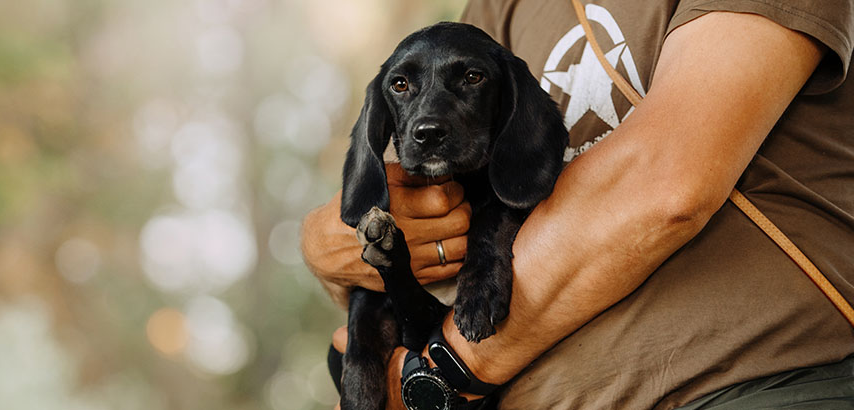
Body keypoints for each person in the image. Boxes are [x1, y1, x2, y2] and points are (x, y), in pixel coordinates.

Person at [301, 0, 854, 408]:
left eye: (468, 80)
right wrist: (324, 241)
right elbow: (383, 233)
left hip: (745, 384)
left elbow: (667, 185)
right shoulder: (498, 8)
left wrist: (441, 377)